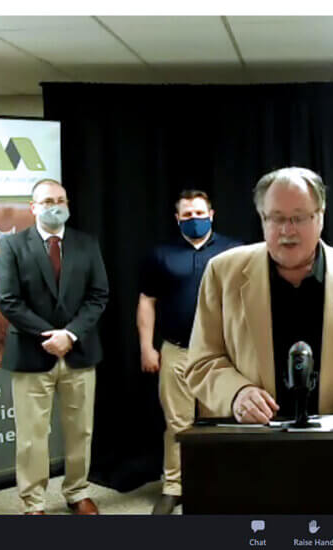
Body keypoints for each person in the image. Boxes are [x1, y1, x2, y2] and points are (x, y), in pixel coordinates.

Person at [185, 167, 333, 425]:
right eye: (276, 218)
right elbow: (202, 361)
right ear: (262, 218)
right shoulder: (222, 274)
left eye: (299, 217)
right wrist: (236, 393)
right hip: (250, 447)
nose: (287, 230)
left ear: (321, 217)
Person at [0, 179, 109, 515]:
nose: (54, 206)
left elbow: (98, 295)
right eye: (46, 201)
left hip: (80, 352)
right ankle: (34, 502)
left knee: (80, 430)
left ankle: (77, 491)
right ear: (33, 208)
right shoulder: (13, 246)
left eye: (60, 199)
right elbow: (8, 300)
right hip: (32, 354)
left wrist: (70, 335)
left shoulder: (87, 244)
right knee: (32, 436)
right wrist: (52, 336)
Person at [136, 190, 242, 515]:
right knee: (178, 424)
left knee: (216, 423)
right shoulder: (161, 254)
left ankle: (214, 483)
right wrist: (146, 348)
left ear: (211, 214)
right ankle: (174, 486)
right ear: (177, 218)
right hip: (175, 351)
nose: (194, 219)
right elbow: (146, 301)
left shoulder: (235, 251)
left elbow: (247, 303)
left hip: (220, 354)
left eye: (199, 213)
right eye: (187, 215)